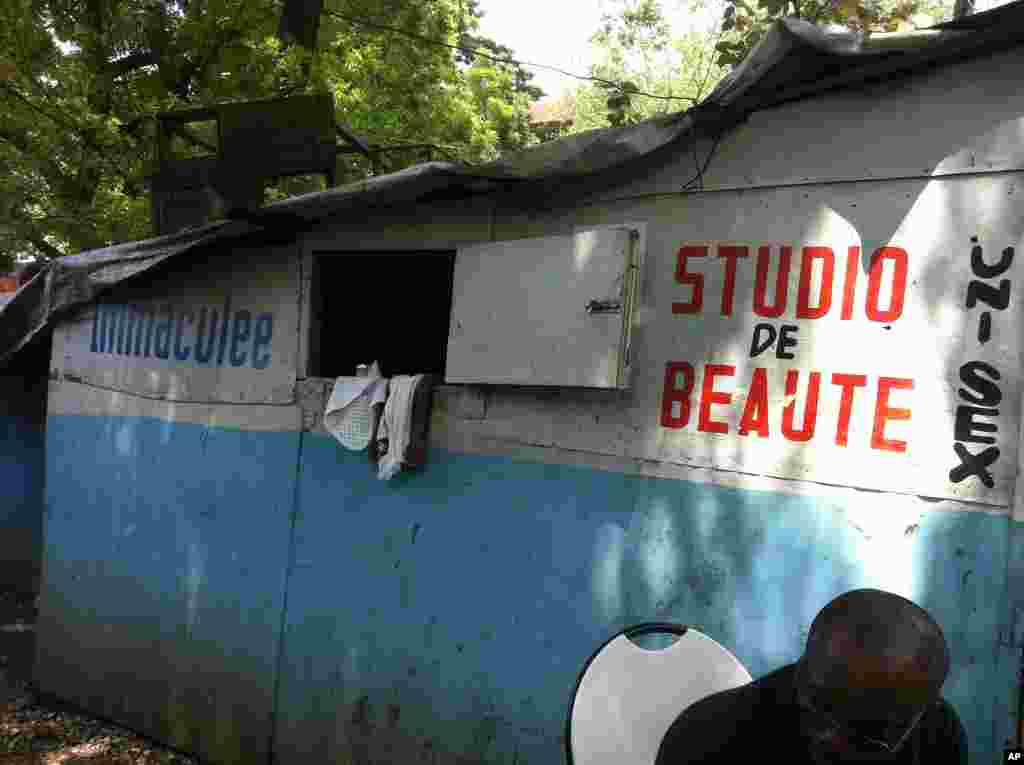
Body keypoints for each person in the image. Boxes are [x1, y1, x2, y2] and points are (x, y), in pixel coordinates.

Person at [655, 589, 967, 764]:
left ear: (921, 715)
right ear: (802, 671)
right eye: (816, 708)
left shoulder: (938, 737)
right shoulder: (708, 738)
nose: (828, 736)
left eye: (865, 737)